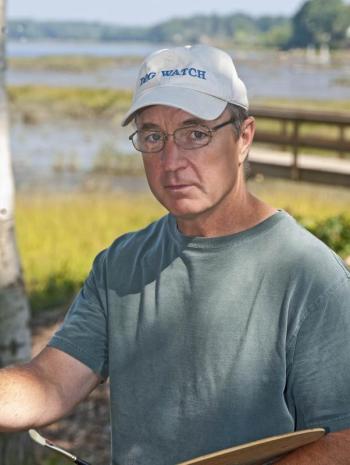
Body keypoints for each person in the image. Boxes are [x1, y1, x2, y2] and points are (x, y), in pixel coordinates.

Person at [1, 44, 350, 465]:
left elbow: (341, 440)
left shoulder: (310, 275)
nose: (171, 161)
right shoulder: (120, 264)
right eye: (153, 136)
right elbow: (48, 384)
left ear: (244, 138)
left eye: (195, 133)